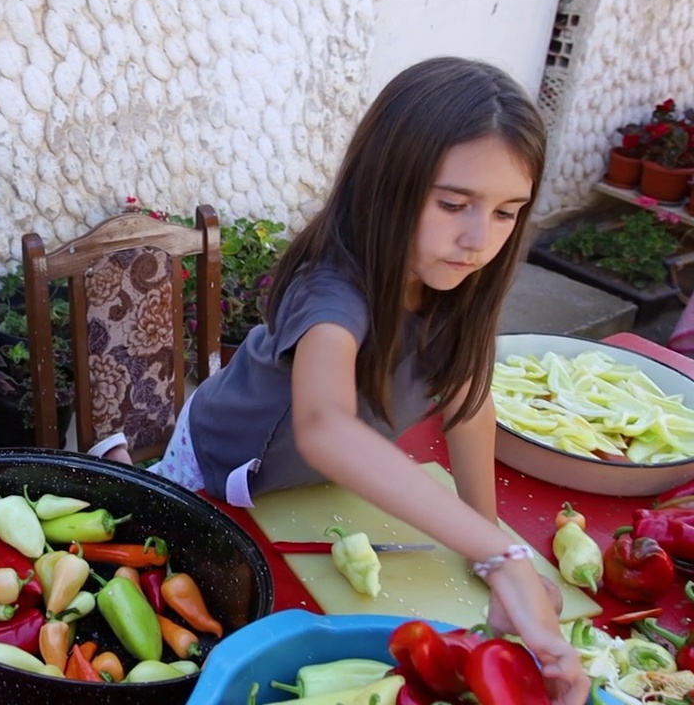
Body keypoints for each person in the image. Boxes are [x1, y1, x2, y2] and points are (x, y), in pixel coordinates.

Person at [112, 57, 587, 701]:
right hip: (223, 455)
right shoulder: (331, 289)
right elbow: (325, 426)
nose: (479, 239)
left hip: (309, 482)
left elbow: (469, 404)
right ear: (385, 184)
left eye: (508, 212)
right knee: (175, 567)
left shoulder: (459, 281)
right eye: (454, 204)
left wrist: (491, 548)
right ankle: (117, 456)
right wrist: (504, 559)